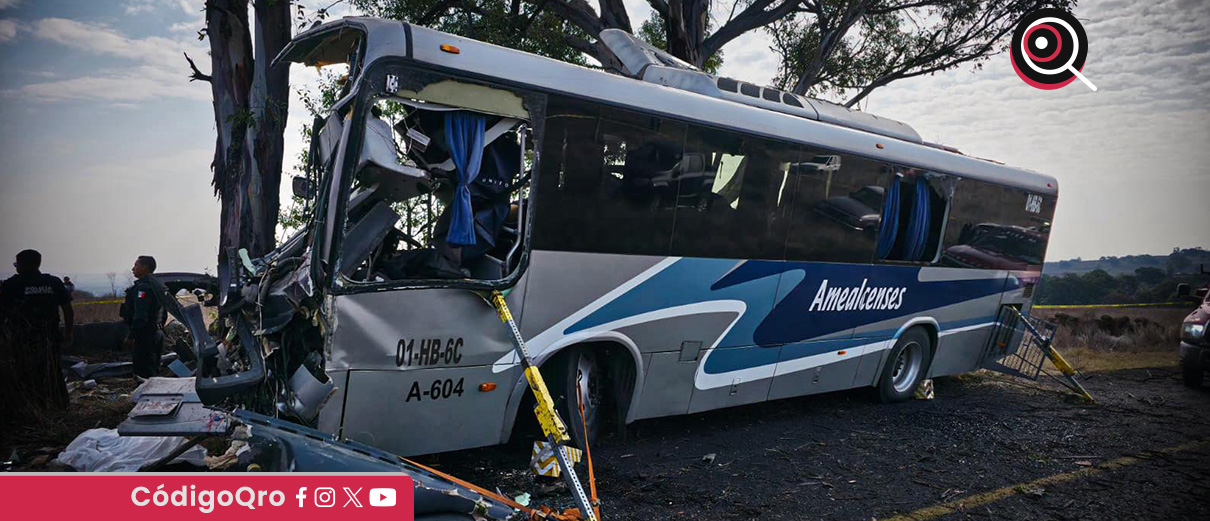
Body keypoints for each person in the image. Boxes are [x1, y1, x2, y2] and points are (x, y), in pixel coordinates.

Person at [0, 249, 73, 411]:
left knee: (25, 373)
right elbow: (67, 308)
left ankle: (31, 409)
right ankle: (60, 406)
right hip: (50, 337)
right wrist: (69, 332)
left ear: (20, 265)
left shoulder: (11, 285)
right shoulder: (53, 282)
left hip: (22, 339)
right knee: (53, 371)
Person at [120, 256, 164, 381]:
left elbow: (140, 316)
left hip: (146, 336)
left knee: (144, 376)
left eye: (136, 265)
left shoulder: (143, 288)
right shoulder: (156, 284)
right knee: (153, 372)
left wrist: (131, 336)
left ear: (144, 267)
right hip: (156, 333)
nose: (133, 269)